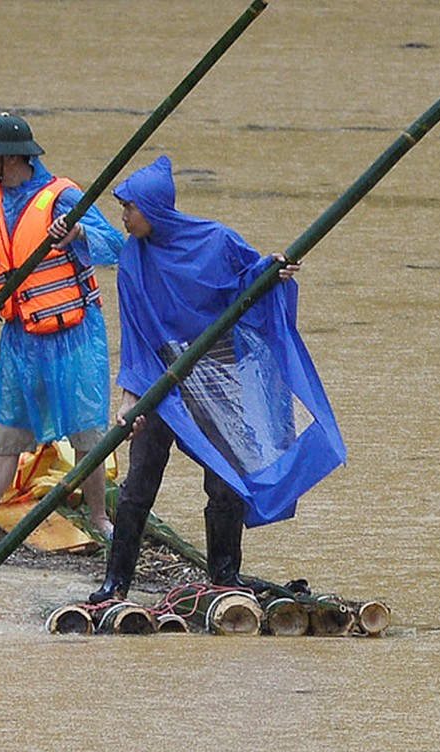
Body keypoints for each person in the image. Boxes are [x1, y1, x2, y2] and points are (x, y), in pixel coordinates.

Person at [87, 154, 346, 603]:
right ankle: (117, 583)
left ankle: (224, 576)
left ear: (155, 209)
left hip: (217, 375)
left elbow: (253, 281)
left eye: (130, 209)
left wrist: (274, 273)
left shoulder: (215, 241)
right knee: (139, 483)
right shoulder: (133, 259)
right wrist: (129, 398)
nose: (125, 219)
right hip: (160, 379)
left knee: (225, 479)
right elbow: (134, 332)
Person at [0, 112, 125, 544]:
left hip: (74, 334)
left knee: (88, 430)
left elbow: (115, 245)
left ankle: (99, 517)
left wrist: (77, 232)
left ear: (10, 158)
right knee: (8, 431)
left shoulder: (64, 196)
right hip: (21, 337)